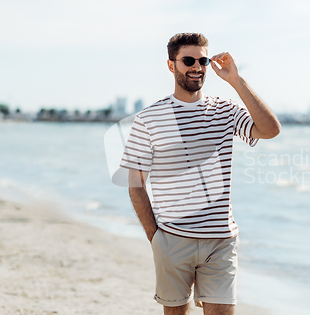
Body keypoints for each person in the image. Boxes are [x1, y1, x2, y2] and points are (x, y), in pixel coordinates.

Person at [120, 33, 280, 315]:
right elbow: (135, 183)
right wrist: (154, 236)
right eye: (189, 60)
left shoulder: (225, 111)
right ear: (172, 65)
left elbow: (269, 130)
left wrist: (236, 81)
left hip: (221, 240)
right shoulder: (149, 119)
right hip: (172, 239)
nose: (197, 66)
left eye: (203, 60)